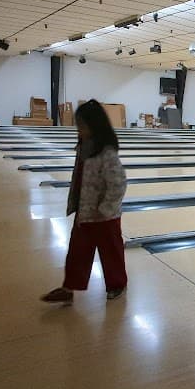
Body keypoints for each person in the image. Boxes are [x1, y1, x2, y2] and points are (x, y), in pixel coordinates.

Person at [41, 99, 128, 305]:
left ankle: (117, 284)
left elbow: (118, 184)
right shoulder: (84, 147)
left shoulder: (107, 153)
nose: (78, 130)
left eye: (82, 126)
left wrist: (105, 209)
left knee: (111, 253)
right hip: (85, 212)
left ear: (95, 126)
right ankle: (69, 287)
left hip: (105, 216)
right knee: (77, 253)